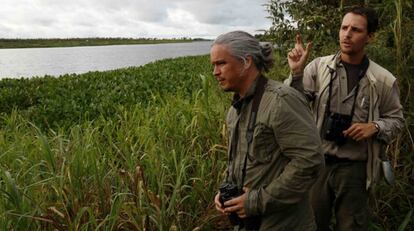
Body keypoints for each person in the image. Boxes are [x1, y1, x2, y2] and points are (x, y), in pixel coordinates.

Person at [285, 6, 405, 230]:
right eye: (344, 27)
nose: (347, 34)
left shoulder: (383, 80)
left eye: (356, 30)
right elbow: (291, 106)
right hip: (317, 164)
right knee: (311, 224)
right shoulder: (318, 67)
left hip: (355, 170)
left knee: (351, 226)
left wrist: (375, 126)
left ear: (370, 36)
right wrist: (296, 73)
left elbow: (397, 119)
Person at [211, 30, 324, 231]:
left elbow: (310, 161)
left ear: (246, 62)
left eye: (221, 63)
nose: (215, 72)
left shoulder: (281, 100)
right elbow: (240, 161)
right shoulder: (235, 110)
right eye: (214, 65)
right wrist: (226, 190)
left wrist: (256, 201)